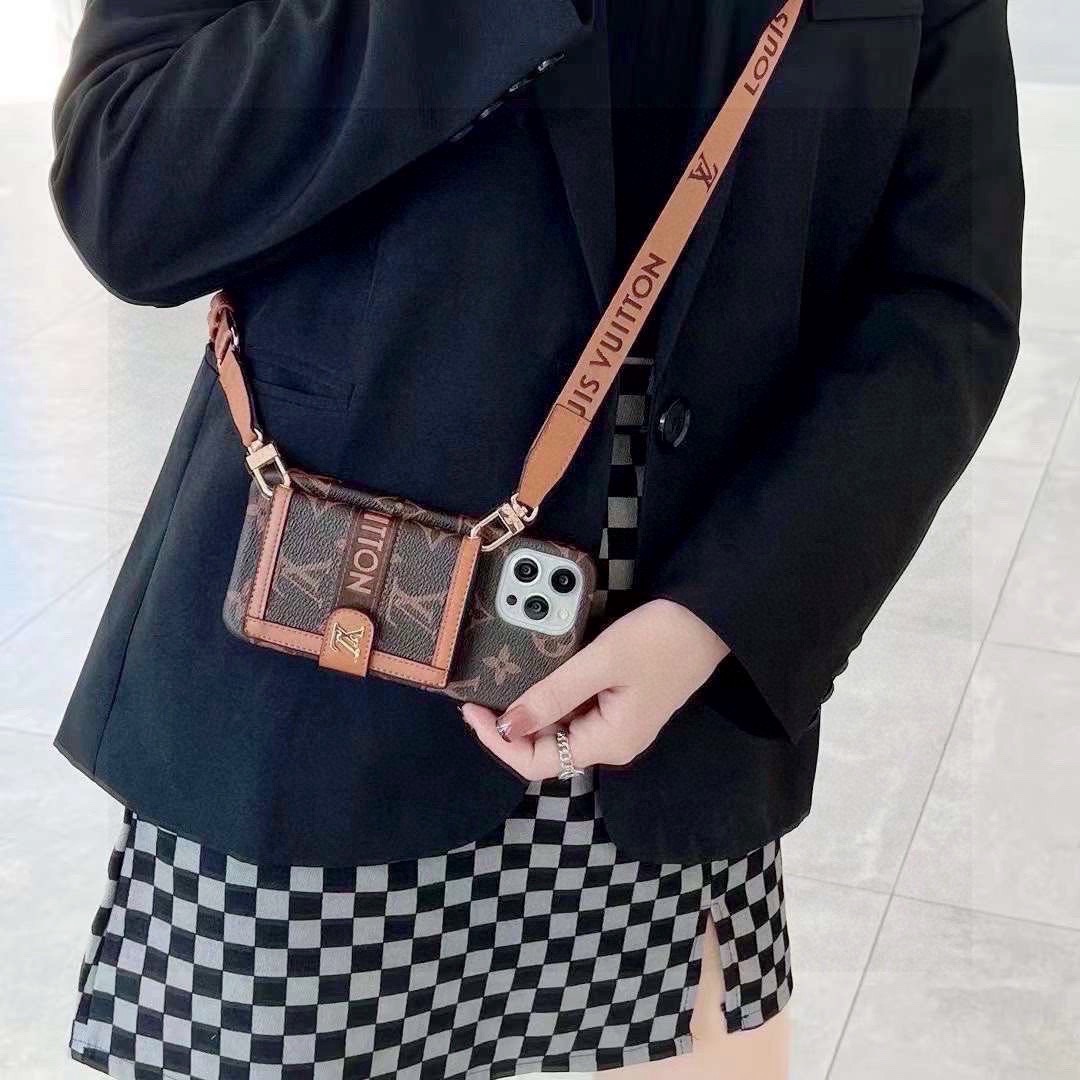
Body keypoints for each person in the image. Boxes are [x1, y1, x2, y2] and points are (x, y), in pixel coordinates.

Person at [48, 1, 1023, 1077]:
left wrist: (718, 617)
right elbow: (129, 184)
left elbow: (944, 303)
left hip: (670, 729)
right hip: (320, 697)